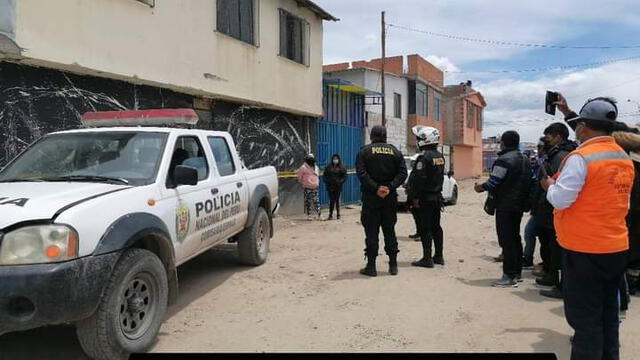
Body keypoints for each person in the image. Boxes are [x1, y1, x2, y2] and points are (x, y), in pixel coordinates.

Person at [541, 96, 634, 360]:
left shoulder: (581, 157)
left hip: (584, 250)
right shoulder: (622, 157)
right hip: (615, 246)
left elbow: (561, 199)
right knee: (608, 314)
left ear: (583, 127)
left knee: (585, 320)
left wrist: (549, 186)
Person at [474, 131, 531, 287]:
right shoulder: (525, 159)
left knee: (507, 241)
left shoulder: (503, 160)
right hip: (519, 204)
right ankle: (517, 273)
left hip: (506, 205)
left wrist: (480, 187)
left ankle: (509, 276)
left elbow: (494, 182)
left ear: (503, 143)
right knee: (515, 239)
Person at [356, 126, 408, 277]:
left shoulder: (364, 152)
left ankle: (371, 267)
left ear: (371, 136)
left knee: (371, 232)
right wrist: (390, 187)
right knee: (389, 230)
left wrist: (376, 188)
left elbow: (362, 173)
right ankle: (393, 266)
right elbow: (402, 173)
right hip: (389, 198)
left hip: (371, 198)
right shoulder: (395, 152)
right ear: (385, 136)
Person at [535, 123, 578, 299]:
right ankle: (552, 276)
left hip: (555, 206)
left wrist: (548, 187)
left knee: (557, 248)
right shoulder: (554, 154)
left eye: (549, 136)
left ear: (559, 137)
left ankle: (559, 283)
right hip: (548, 205)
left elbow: (560, 185)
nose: (546, 140)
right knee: (549, 245)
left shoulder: (561, 156)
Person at [408, 126, 445, 268]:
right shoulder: (439, 156)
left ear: (426, 140)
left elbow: (419, 179)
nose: (417, 141)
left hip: (425, 198)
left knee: (425, 228)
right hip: (436, 197)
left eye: (419, 138)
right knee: (436, 227)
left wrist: (415, 198)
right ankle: (439, 256)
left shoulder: (424, 157)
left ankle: (427, 258)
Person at [611, 127, 640, 296]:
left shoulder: (627, 166)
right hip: (631, 215)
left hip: (631, 216)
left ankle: (627, 289)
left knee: (631, 255)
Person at [323, 154, 347, 220]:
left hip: (338, 186)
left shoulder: (342, 167)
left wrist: (340, 182)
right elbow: (324, 175)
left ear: (339, 159)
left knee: (337, 200)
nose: (335, 160)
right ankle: (330, 215)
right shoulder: (328, 167)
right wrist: (327, 182)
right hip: (330, 186)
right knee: (331, 201)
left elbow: (345, 177)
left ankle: (338, 214)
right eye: (334, 159)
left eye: (336, 159)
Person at [297, 154, 321, 221]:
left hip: (315, 187)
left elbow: (317, 174)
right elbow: (299, 176)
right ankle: (309, 215)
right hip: (307, 187)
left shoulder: (315, 167)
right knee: (308, 202)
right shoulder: (303, 167)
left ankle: (319, 214)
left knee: (316, 201)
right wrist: (303, 182)